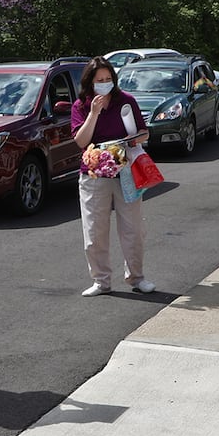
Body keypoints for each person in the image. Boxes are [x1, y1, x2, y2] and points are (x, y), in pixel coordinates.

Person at [71, 56, 154, 296]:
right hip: (94, 176)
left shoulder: (126, 101)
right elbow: (81, 141)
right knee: (94, 232)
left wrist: (137, 138)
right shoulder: (81, 106)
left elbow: (144, 131)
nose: (105, 83)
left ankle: (137, 278)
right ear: (90, 83)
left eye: (108, 79)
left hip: (126, 172)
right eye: (100, 80)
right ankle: (101, 281)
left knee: (134, 230)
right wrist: (94, 113)